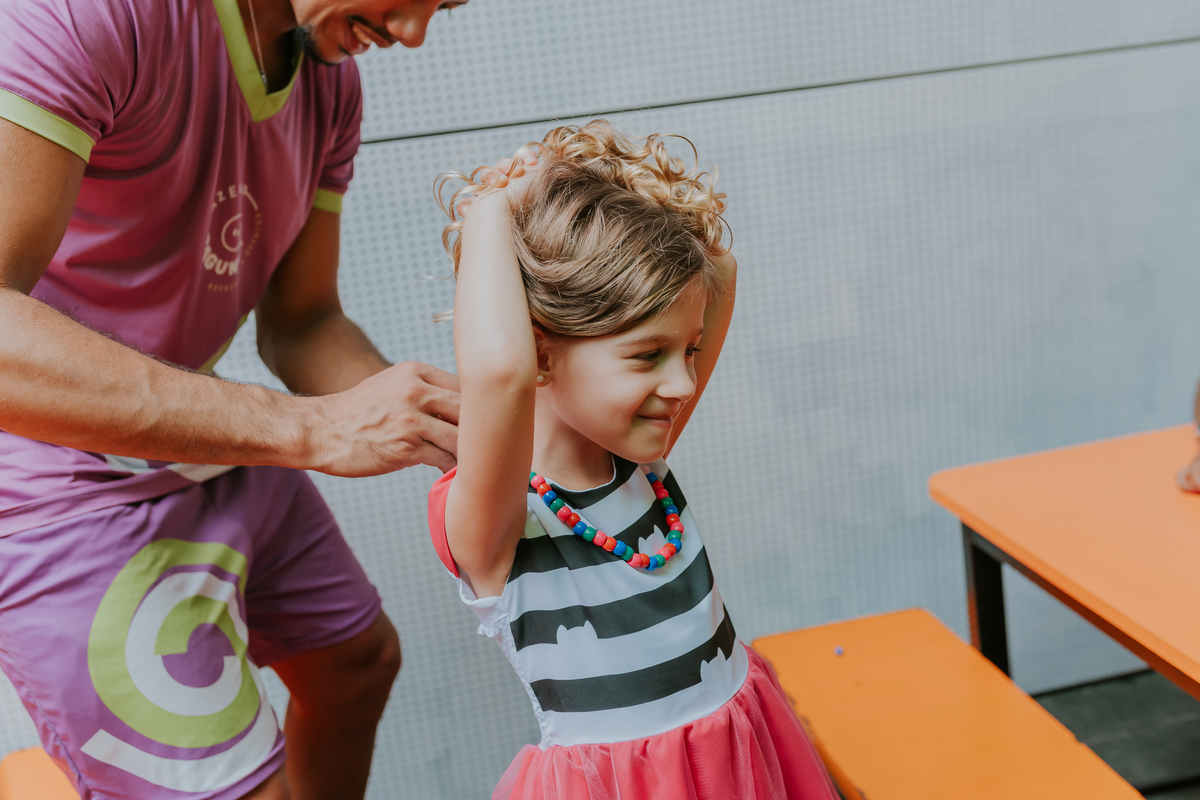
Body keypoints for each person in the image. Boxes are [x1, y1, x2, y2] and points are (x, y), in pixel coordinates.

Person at [0, 1, 469, 798]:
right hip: (56, 483)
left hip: (211, 437)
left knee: (355, 667)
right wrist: (311, 428)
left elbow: (304, 322)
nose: (416, 32)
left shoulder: (331, 84)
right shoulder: (89, 15)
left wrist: (452, 423)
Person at [425, 120, 839, 799]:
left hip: (743, 763)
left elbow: (720, 269)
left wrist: (579, 179)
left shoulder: (637, 459)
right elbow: (496, 371)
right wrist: (492, 204)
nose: (681, 385)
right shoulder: (496, 521)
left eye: (691, 352)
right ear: (542, 351)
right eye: (648, 355)